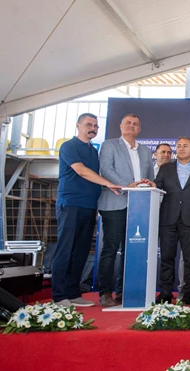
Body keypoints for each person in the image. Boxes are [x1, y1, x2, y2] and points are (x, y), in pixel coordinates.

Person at [52, 113, 120, 307]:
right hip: (71, 204)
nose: (93, 128)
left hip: (89, 206)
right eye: (89, 125)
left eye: (96, 126)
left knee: (81, 251)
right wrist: (108, 183)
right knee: (65, 249)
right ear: (78, 125)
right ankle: (59, 296)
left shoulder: (93, 150)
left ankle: (73, 293)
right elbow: (81, 171)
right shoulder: (69, 146)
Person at [96, 113, 154, 307]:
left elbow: (149, 176)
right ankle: (105, 293)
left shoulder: (145, 151)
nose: (131, 126)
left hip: (139, 206)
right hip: (115, 201)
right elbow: (106, 170)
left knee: (132, 250)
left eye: (135, 124)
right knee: (111, 248)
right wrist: (127, 186)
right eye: (127, 123)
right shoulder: (109, 145)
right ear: (121, 126)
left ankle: (123, 292)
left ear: (139, 129)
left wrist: (149, 184)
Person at [154, 137, 190, 304]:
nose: (181, 148)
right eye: (178, 146)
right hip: (168, 218)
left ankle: (187, 292)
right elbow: (157, 187)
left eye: (185, 146)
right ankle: (165, 292)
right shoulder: (165, 168)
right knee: (166, 257)